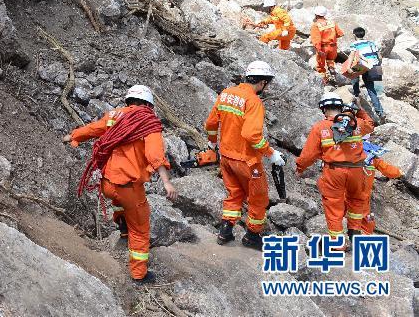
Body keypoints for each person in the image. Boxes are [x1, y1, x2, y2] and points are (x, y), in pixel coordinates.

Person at [64, 85, 177, 284]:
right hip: (128, 186)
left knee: (119, 203)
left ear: (129, 100)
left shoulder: (115, 115)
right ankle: (139, 273)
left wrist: (73, 136)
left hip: (107, 183)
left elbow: (93, 129)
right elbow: (155, 155)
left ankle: (123, 225)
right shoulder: (148, 122)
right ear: (148, 105)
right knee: (140, 228)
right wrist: (167, 182)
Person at [205, 60, 284, 250]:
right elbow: (251, 135)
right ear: (263, 82)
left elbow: (211, 123)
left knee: (234, 193)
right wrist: (271, 153)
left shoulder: (226, 94)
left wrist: (213, 143)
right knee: (258, 198)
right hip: (247, 160)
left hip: (226, 157)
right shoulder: (253, 101)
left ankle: (225, 231)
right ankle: (252, 236)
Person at [296, 92, 373, 244]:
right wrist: (360, 110)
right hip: (357, 171)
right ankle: (354, 233)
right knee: (357, 201)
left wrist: (300, 168)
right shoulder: (356, 123)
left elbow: (309, 155)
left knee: (334, 206)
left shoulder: (320, 127)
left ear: (324, 109)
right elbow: (370, 125)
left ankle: (338, 244)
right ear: (341, 107)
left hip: (334, 172)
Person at [349, 26, 384, 118]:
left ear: (354, 35)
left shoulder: (354, 44)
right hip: (375, 66)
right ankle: (380, 112)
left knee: (353, 74)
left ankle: (356, 94)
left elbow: (352, 56)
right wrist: (377, 65)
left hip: (365, 65)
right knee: (372, 88)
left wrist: (348, 67)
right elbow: (380, 57)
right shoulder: (371, 43)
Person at [310, 6, 343, 82]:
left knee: (320, 66)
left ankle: (324, 80)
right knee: (330, 60)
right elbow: (339, 34)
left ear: (316, 15)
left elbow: (316, 40)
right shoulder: (332, 22)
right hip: (333, 47)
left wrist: (318, 50)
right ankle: (331, 67)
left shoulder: (315, 25)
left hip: (323, 48)